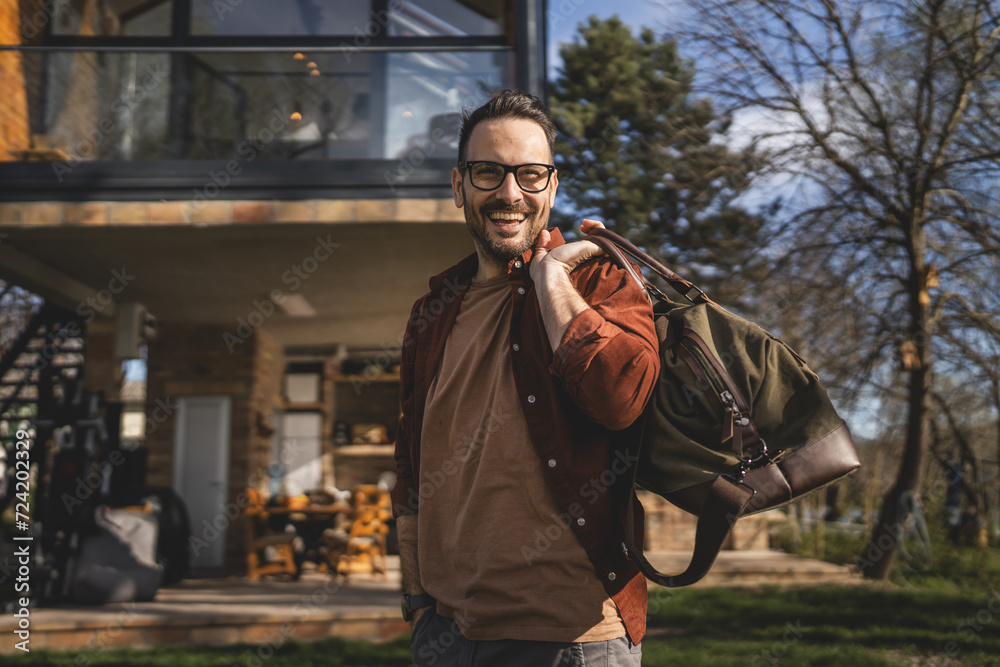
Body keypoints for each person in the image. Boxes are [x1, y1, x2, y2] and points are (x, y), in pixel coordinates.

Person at [391, 89, 660, 666]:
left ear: (553, 187)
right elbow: (410, 460)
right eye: (488, 172)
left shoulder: (598, 283)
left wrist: (552, 277)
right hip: (446, 632)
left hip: (572, 638)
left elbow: (620, 399)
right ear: (459, 185)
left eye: (530, 174)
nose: (510, 193)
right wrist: (417, 597)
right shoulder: (431, 311)